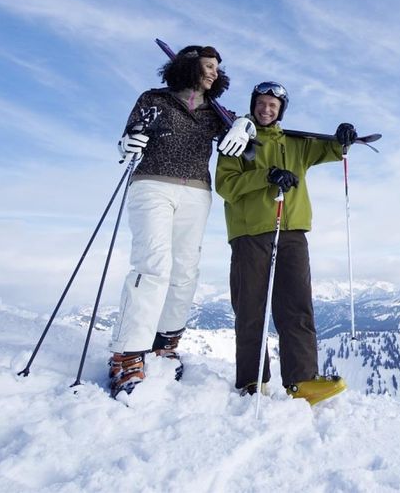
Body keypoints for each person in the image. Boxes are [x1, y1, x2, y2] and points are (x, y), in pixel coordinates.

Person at [108, 45, 256, 398]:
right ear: (187, 67)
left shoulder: (215, 112)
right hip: (152, 184)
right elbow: (128, 139)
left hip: (197, 192)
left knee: (186, 269)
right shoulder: (154, 99)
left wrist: (244, 125)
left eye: (217, 68)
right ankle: (127, 354)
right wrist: (127, 143)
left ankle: (166, 342)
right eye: (207, 66)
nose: (214, 72)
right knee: (153, 265)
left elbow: (250, 131)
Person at [214, 80, 357, 405]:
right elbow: (226, 185)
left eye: (273, 105)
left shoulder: (296, 144)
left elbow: (332, 148)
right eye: (261, 103)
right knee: (251, 308)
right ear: (253, 105)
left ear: (280, 110)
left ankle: (302, 381)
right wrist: (266, 175)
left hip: (292, 232)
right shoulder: (236, 141)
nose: (266, 109)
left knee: (296, 308)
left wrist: (343, 136)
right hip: (250, 234)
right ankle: (252, 381)